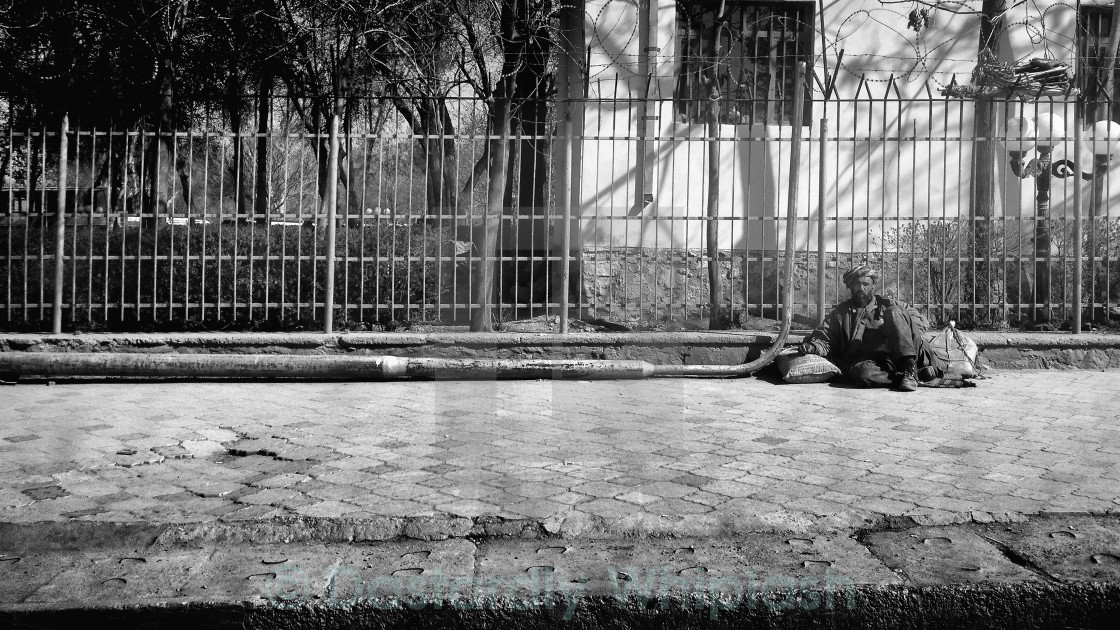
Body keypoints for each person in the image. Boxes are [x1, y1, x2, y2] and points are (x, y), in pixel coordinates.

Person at [799, 265, 944, 392]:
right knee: (860, 374)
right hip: (877, 362)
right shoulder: (841, 313)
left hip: (904, 352)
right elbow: (826, 335)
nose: (861, 289)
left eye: (865, 284)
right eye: (857, 284)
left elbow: (922, 324)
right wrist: (813, 347)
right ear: (851, 286)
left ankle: (910, 368)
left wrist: (887, 326)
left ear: (873, 286)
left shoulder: (890, 304)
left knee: (894, 312)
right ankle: (908, 376)